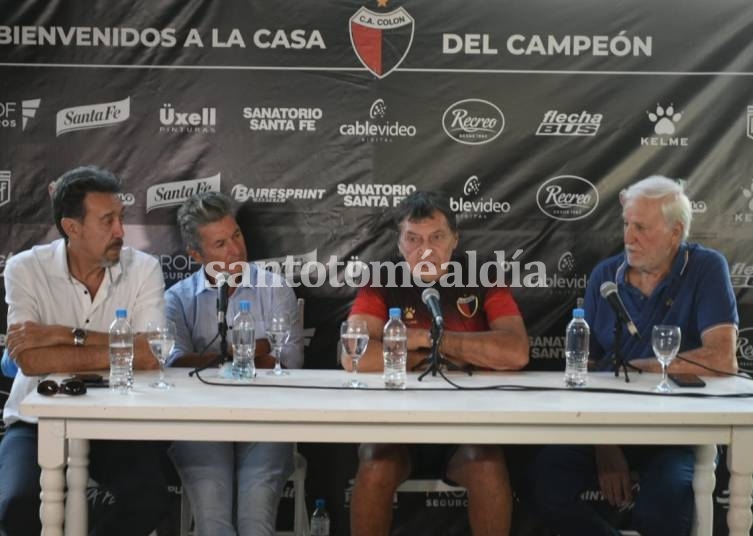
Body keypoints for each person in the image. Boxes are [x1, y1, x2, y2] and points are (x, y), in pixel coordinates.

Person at [527, 175, 739, 536]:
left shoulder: (707, 268)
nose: (628, 237)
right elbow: (586, 368)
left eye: (641, 227)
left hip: (676, 432)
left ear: (675, 232)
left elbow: (723, 358)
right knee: (543, 482)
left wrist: (644, 368)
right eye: (626, 224)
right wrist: (605, 445)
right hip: (607, 426)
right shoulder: (605, 275)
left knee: (664, 509)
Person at [343, 191, 529, 536]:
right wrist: (439, 344)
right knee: (375, 466)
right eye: (412, 239)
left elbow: (515, 352)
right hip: (396, 427)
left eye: (436, 237)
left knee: (488, 465)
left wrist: (424, 342)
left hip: (468, 427)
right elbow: (354, 353)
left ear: (454, 240)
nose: (424, 249)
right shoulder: (382, 279)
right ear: (399, 244)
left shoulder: (484, 274)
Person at [0, 165, 171, 536]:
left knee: (150, 498)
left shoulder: (144, 268)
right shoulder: (24, 268)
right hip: (36, 420)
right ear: (71, 228)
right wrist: (124, 347)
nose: (120, 231)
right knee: (16, 504)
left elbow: (152, 353)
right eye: (107, 220)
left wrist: (65, 335)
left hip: (117, 421)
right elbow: (30, 360)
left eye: (121, 218)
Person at [166, 191, 303, 536]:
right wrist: (245, 351)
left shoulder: (276, 289)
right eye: (220, 244)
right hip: (199, 423)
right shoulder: (177, 299)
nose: (236, 250)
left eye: (237, 235)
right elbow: (174, 364)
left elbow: (287, 361)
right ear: (196, 254)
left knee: (254, 522)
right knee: (213, 524)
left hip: (268, 422)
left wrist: (213, 357)